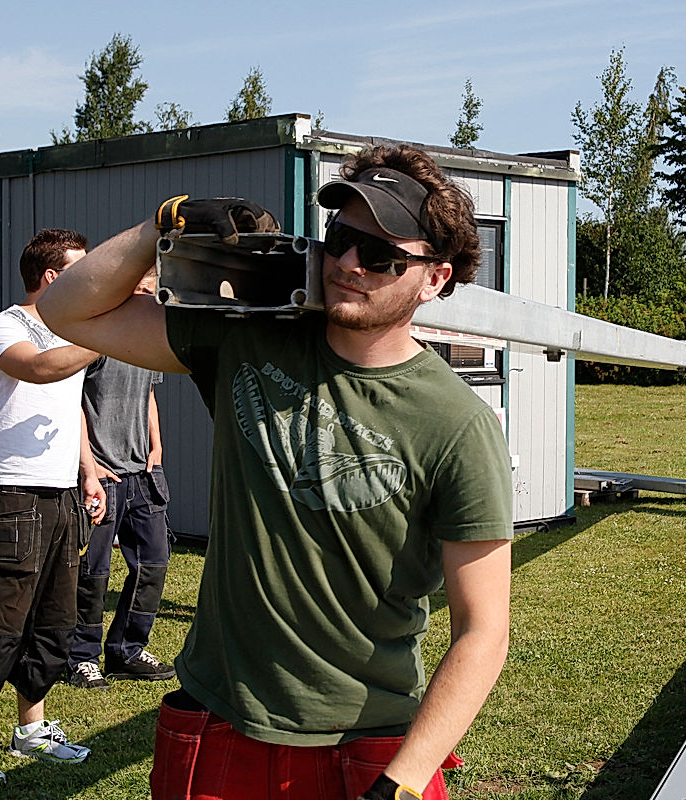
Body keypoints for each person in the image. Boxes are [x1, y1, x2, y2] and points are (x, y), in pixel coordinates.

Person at [39, 144, 514, 800]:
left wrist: (403, 780)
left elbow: (484, 630)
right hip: (221, 718)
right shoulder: (247, 337)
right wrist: (161, 226)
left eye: (381, 256)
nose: (349, 265)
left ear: (435, 278)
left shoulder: (458, 424)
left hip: (368, 738)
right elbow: (66, 311)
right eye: (342, 239)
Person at [0, 228, 107, 788]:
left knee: (56, 622)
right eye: (81, 271)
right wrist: (106, 335)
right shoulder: (6, 326)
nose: (91, 281)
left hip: (61, 495)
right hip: (11, 494)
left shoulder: (73, 331)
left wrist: (88, 469)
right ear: (52, 277)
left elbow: (71, 404)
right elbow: (40, 370)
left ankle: (30, 728)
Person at [68, 268, 176, 689]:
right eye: (139, 290)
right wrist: (88, 466)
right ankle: (81, 657)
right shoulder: (94, 340)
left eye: (151, 291)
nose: (146, 298)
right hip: (103, 475)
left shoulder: (145, 342)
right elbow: (71, 403)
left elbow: (148, 395)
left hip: (143, 473)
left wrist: (157, 447)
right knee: (93, 572)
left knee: (153, 563)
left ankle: (127, 651)